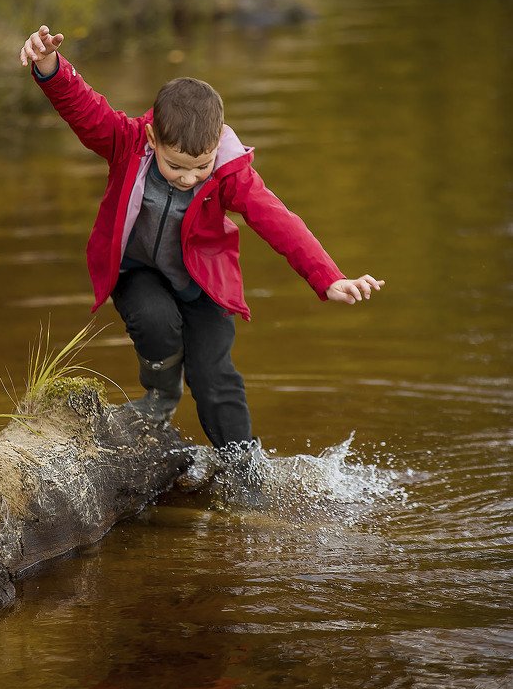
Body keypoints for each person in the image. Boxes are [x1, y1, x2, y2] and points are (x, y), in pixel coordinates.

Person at [20, 25, 384, 456]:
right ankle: (160, 398)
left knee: (215, 375)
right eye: (177, 167)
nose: (191, 177)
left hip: (204, 284)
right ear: (154, 140)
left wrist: (328, 278)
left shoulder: (231, 173)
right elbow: (84, 109)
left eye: (202, 166)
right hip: (139, 273)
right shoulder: (127, 142)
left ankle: (242, 463)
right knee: (156, 321)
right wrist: (49, 67)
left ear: (217, 145)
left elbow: (280, 222)